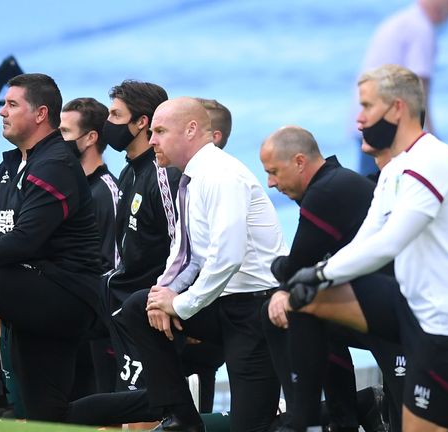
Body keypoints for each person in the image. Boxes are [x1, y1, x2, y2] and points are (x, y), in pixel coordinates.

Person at [281, 64, 448, 432]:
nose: (357, 119)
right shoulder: (396, 167)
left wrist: (319, 272)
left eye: (366, 107)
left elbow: (390, 242)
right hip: (409, 302)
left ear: (396, 108)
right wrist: (314, 281)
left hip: (445, 320)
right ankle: (309, 423)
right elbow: (367, 240)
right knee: (304, 299)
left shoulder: (431, 159)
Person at [0, 73, 101, 421]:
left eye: (12, 105)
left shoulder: (55, 164)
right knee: (51, 416)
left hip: (65, 295)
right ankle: (170, 403)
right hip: (39, 294)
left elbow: (25, 242)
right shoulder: (12, 164)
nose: (2, 112)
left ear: (41, 114)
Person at [120, 97, 286, 432]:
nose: (151, 140)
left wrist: (181, 305)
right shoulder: (190, 177)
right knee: (139, 307)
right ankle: (182, 417)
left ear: (192, 130)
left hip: (256, 310)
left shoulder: (221, 175)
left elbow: (227, 258)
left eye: (160, 131)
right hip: (223, 303)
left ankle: (363, 403)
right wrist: (161, 295)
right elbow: (187, 253)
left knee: (253, 426)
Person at [260, 126, 403, 432]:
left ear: (300, 162)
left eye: (273, 172)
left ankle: (306, 421)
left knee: (295, 306)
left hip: (402, 312)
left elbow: (295, 267)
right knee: (306, 311)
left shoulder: (327, 191)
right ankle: (338, 420)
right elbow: (303, 270)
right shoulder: (336, 182)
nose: (270, 183)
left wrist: (279, 272)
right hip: (375, 307)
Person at [100, 79, 182, 393]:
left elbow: (180, 246)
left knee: (142, 407)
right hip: (124, 303)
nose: (108, 124)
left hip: (152, 309)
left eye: (115, 116)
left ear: (141, 122)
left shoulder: (164, 175)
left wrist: (171, 300)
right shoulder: (127, 172)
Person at [59, 96, 119, 396]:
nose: (58, 140)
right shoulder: (67, 189)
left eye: (65, 133)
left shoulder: (106, 192)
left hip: (97, 325)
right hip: (68, 320)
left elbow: (116, 264)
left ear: (91, 137)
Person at [355, 0, 448, 175]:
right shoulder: (422, 30)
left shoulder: (401, 21)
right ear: (440, 8)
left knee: (370, 189)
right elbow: (419, 86)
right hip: (385, 125)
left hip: (368, 115)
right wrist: (429, 134)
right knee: (384, 190)